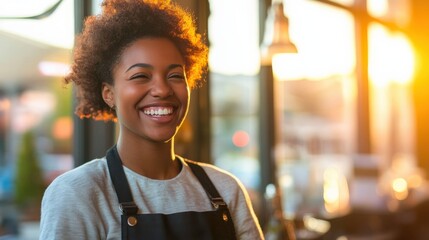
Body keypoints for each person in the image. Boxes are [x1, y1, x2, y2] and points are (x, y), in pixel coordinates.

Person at [39, 0, 264, 239]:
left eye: (175, 75)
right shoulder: (78, 193)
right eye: (140, 76)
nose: (162, 89)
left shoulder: (225, 189)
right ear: (109, 94)